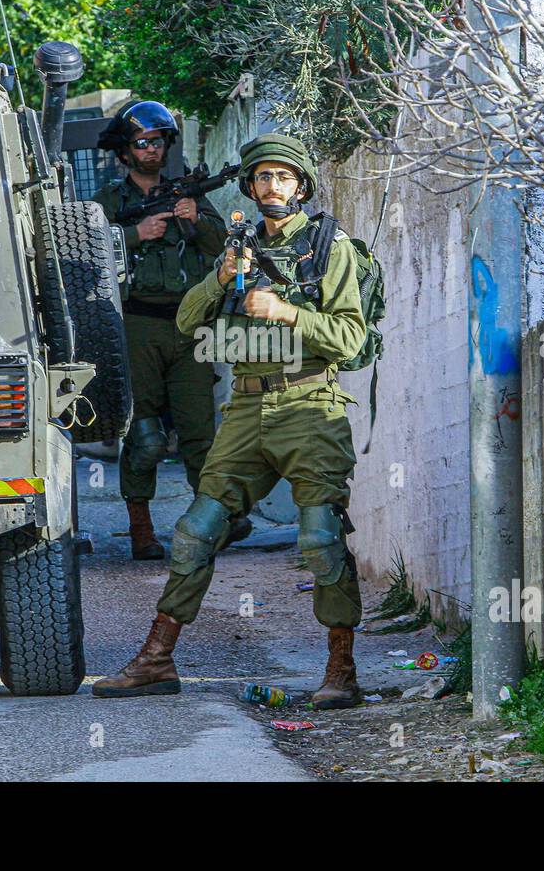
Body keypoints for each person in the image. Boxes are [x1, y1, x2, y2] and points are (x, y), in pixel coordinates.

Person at [92, 133, 368, 709]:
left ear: (302, 187)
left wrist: (287, 310)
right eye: (263, 177)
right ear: (249, 187)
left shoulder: (328, 245)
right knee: (196, 530)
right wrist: (220, 278)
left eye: (284, 178)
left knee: (319, 537)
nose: (272, 187)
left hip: (309, 405)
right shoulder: (236, 249)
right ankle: (156, 659)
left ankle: (340, 669)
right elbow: (191, 323)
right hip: (244, 407)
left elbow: (350, 336)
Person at [92, 100, 251, 560]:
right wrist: (135, 234)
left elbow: (227, 246)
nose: (151, 149)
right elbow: (80, 250)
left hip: (189, 324)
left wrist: (194, 219)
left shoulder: (190, 195)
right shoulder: (108, 202)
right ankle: (141, 530)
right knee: (145, 437)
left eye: (158, 141)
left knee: (200, 431)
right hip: (136, 324)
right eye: (142, 143)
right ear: (125, 152)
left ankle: (213, 524)